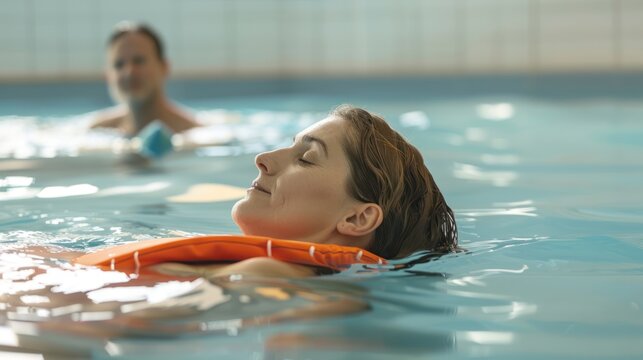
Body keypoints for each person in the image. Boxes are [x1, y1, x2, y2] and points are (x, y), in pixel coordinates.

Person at [91, 22, 198, 136]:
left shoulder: (194, 132)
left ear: (164, 67)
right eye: (119, 64)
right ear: (108, 75)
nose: (129, 72)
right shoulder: (94, 130)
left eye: (139, 61)